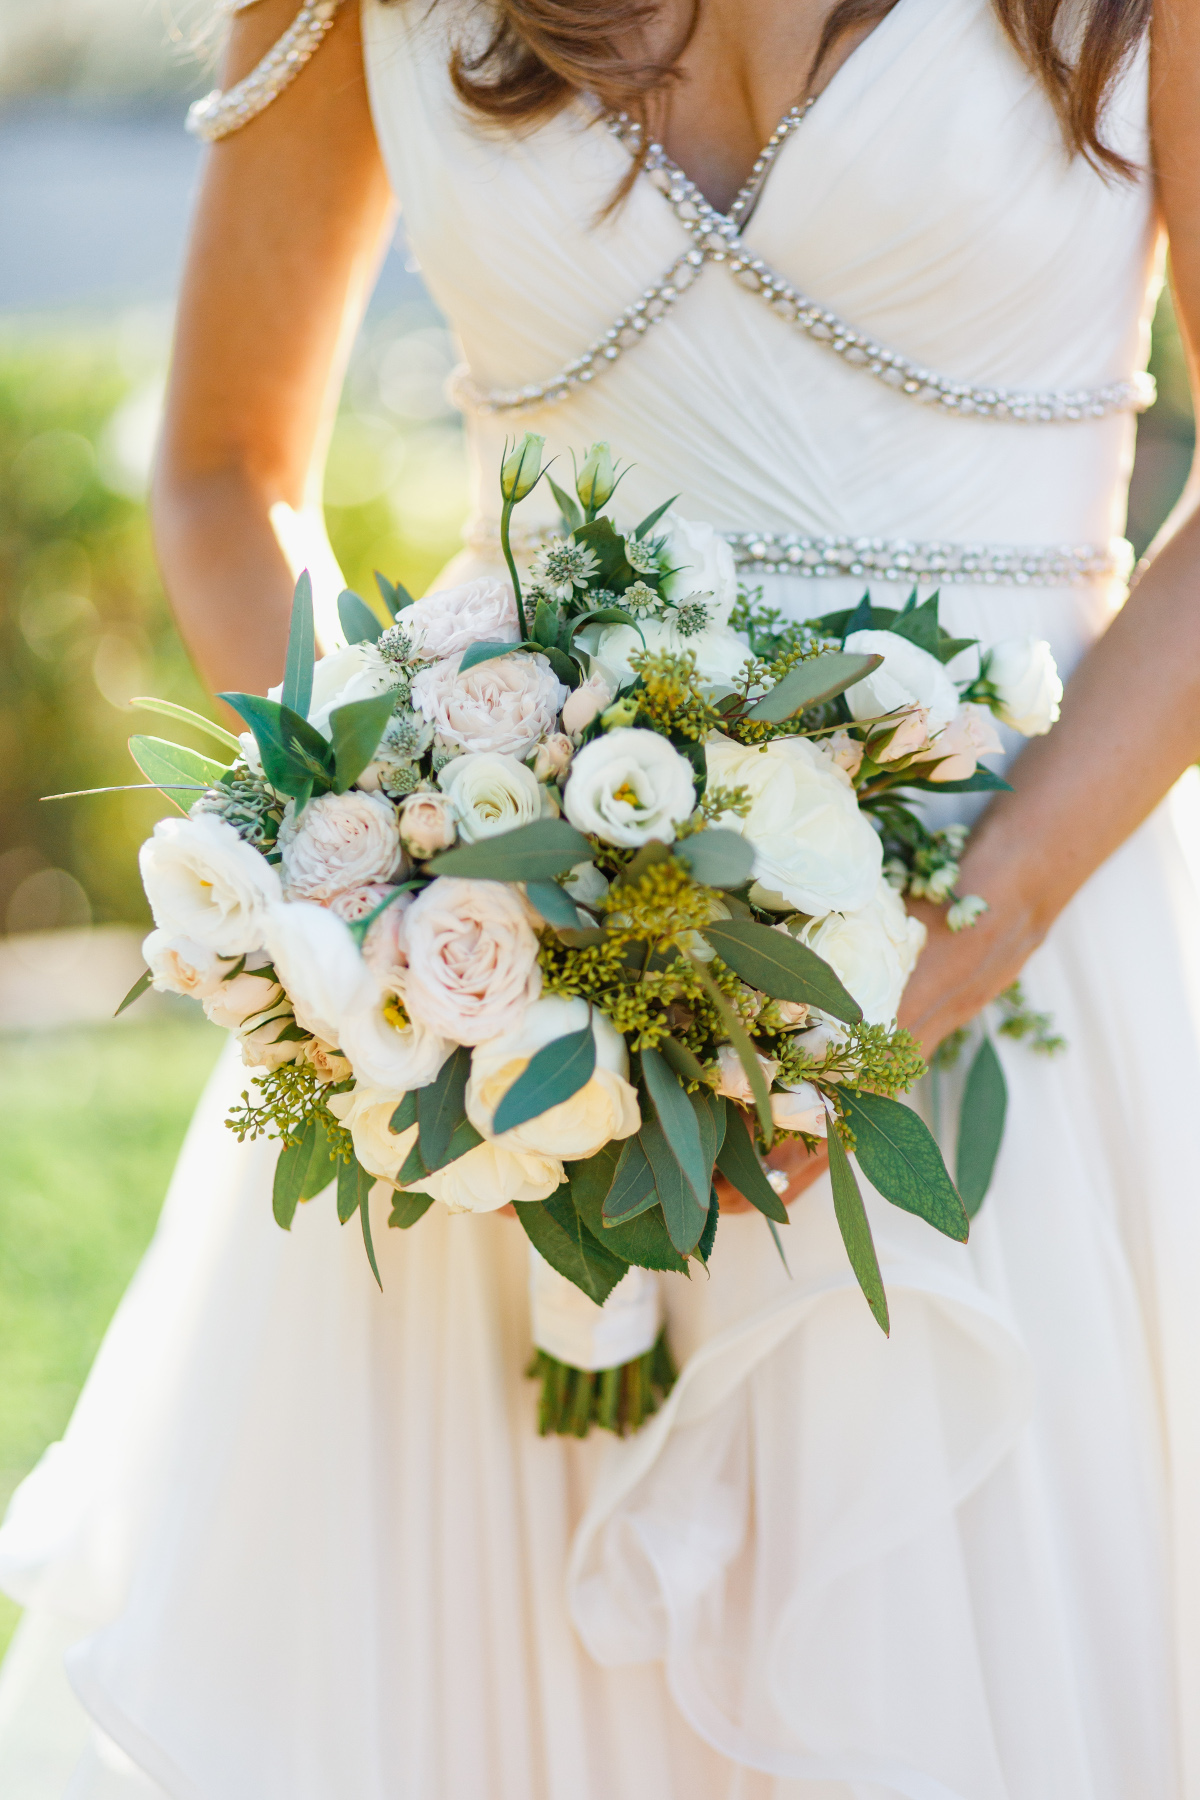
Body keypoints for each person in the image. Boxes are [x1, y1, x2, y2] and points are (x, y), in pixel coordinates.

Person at [2, 0, 1199, 1791]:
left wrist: (960, 944)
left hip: (1032, 1023)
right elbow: (222, 473)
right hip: (506, 1056)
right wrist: (394, 869)